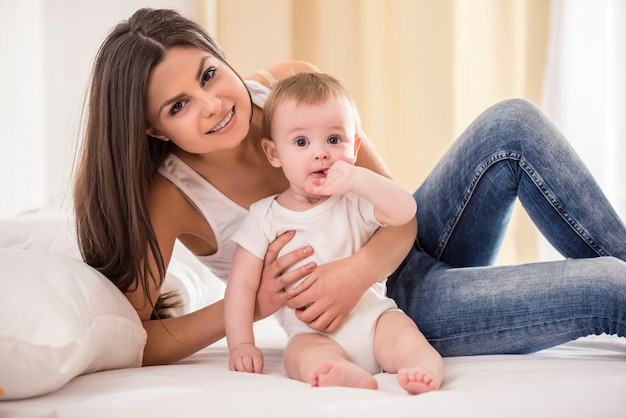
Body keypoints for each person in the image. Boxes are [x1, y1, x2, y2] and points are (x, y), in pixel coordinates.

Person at [73, 8, 625, 371]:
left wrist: (356, 269)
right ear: (153, 130)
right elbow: (136, 338)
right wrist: (254, 305)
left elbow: (399, 214)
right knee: (610, 288)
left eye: (208, 74)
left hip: (396, 250)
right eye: (178, 106)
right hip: (388, 310)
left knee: (512, 123)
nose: (212, 103)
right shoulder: (170, 197)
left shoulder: (287, 87)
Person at [224, 72, 444, 394]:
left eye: (334, 140)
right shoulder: (265, 217)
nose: (321, 153)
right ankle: (337, 371)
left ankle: (423, 367)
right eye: (301, 142)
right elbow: (240, 284)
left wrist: (359, 180)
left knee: (403, 335)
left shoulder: (354, 200)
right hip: (310, 332)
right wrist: (241, 344)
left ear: (354, 147)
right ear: (274, 154)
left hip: (373, 320)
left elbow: (405, 211)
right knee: (298, 355)